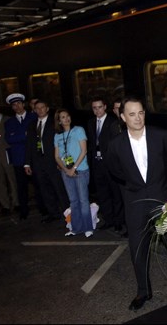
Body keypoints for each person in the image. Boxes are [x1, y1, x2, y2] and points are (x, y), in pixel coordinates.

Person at [105, 96, 167, 311]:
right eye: (131, 114)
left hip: (163, 197)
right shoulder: (115, 144)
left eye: (140, 112)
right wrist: (135, 185)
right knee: (137, 247)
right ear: (122, 117)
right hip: (134, 201)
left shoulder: (160, 135)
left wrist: (157, 184)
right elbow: (115, 170)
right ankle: (143, 291)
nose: (137, 117)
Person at [25, 99, 70, 223]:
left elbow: (62, 142)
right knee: (45, 188)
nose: (40, 110)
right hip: (38, 161)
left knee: (59, 187)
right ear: (34, 110)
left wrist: (61, 161)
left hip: (53, 160)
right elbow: (29, 144)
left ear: (47, 108)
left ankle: (68, 213)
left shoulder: (54, 123)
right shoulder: (31, 125)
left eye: (42, 107)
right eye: (37, 108)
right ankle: (53, 213)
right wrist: (27, 163)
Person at [86, 96, 124, 234]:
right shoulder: (90, 123)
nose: (97, 110)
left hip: (110, 164)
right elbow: (91, 144)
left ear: (105, 107)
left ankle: (118, 222)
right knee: (102, 193)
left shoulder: (113, 122)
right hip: (97, 163)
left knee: (116, 193)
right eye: (94, 108)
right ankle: (109, 220)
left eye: (100, 107)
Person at [53, 108, 93, 238]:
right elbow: (57, 157)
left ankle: (88, 227)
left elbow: (84, 151)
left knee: (83, 200)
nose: (66, 119)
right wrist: (66, 170)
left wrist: (73, 168)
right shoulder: (57, 136)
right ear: (59, 121)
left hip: (80, 170)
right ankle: (76, 228)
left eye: (68, 116)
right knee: (73, 201)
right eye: (63, 117)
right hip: (66, 172)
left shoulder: (78, 130)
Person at [5, 93, 37, 220]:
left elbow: (35, 135)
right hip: (19, 158)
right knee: (21, 186)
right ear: (12, 107)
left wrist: (19, 136)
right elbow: (9, 139)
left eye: (19, 103)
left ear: (23, 104)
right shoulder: (9, 122)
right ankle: (24, 210)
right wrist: (25, 135)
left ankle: (45, 208)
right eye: (14, 105)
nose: (17, 106)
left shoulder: (33, 117)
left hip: (34, 156)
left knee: (39, 184)